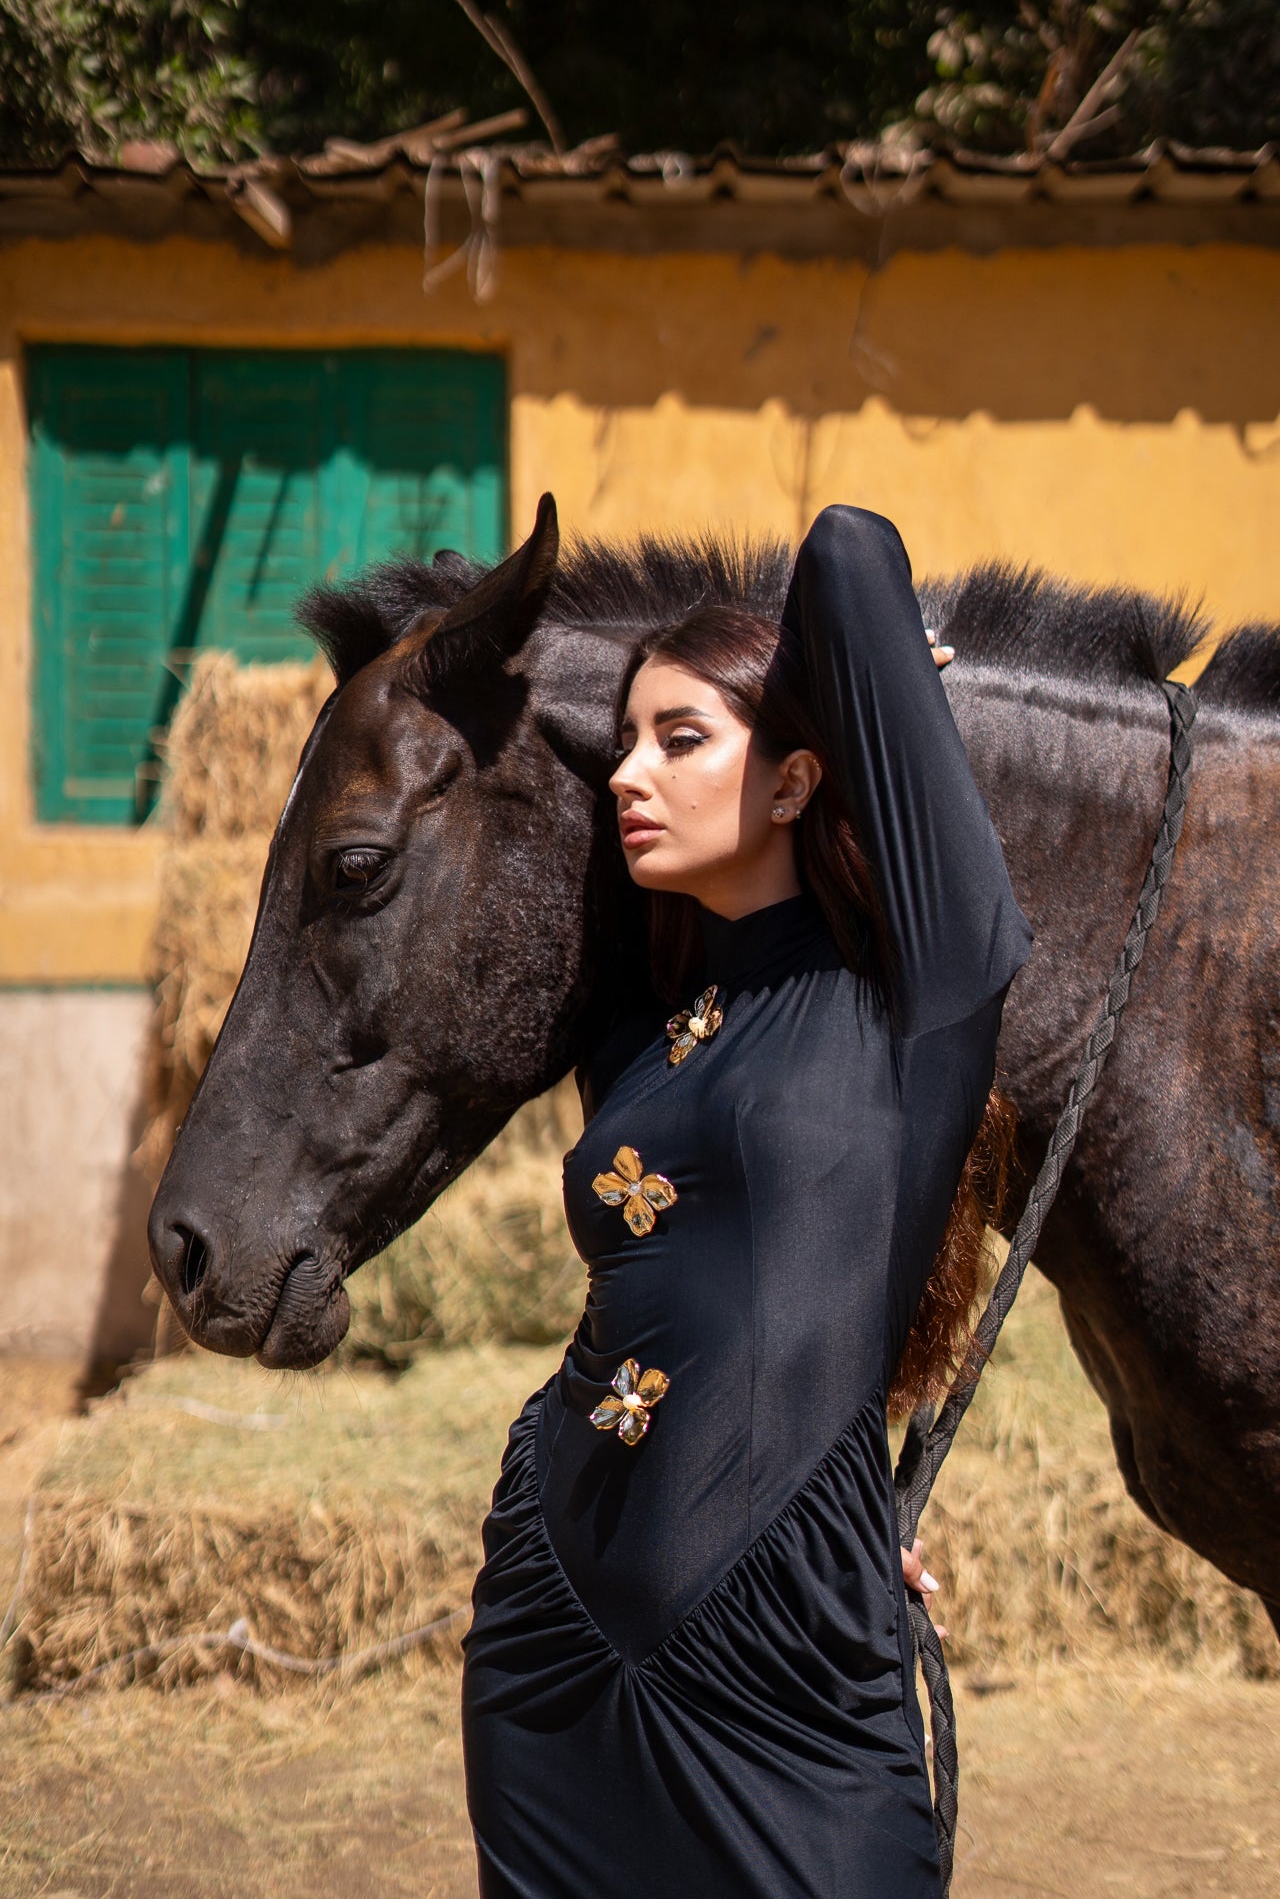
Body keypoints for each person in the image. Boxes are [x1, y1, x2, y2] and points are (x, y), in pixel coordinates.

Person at [460, 505, 1033, 1897]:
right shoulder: (641, 1046)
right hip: (554, 1628)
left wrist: (872, 674)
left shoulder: (920, 1002)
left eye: (682, 738)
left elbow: (848, 550)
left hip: (786, 1658)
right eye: (627, 746)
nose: (629, 776)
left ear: (793, 782)